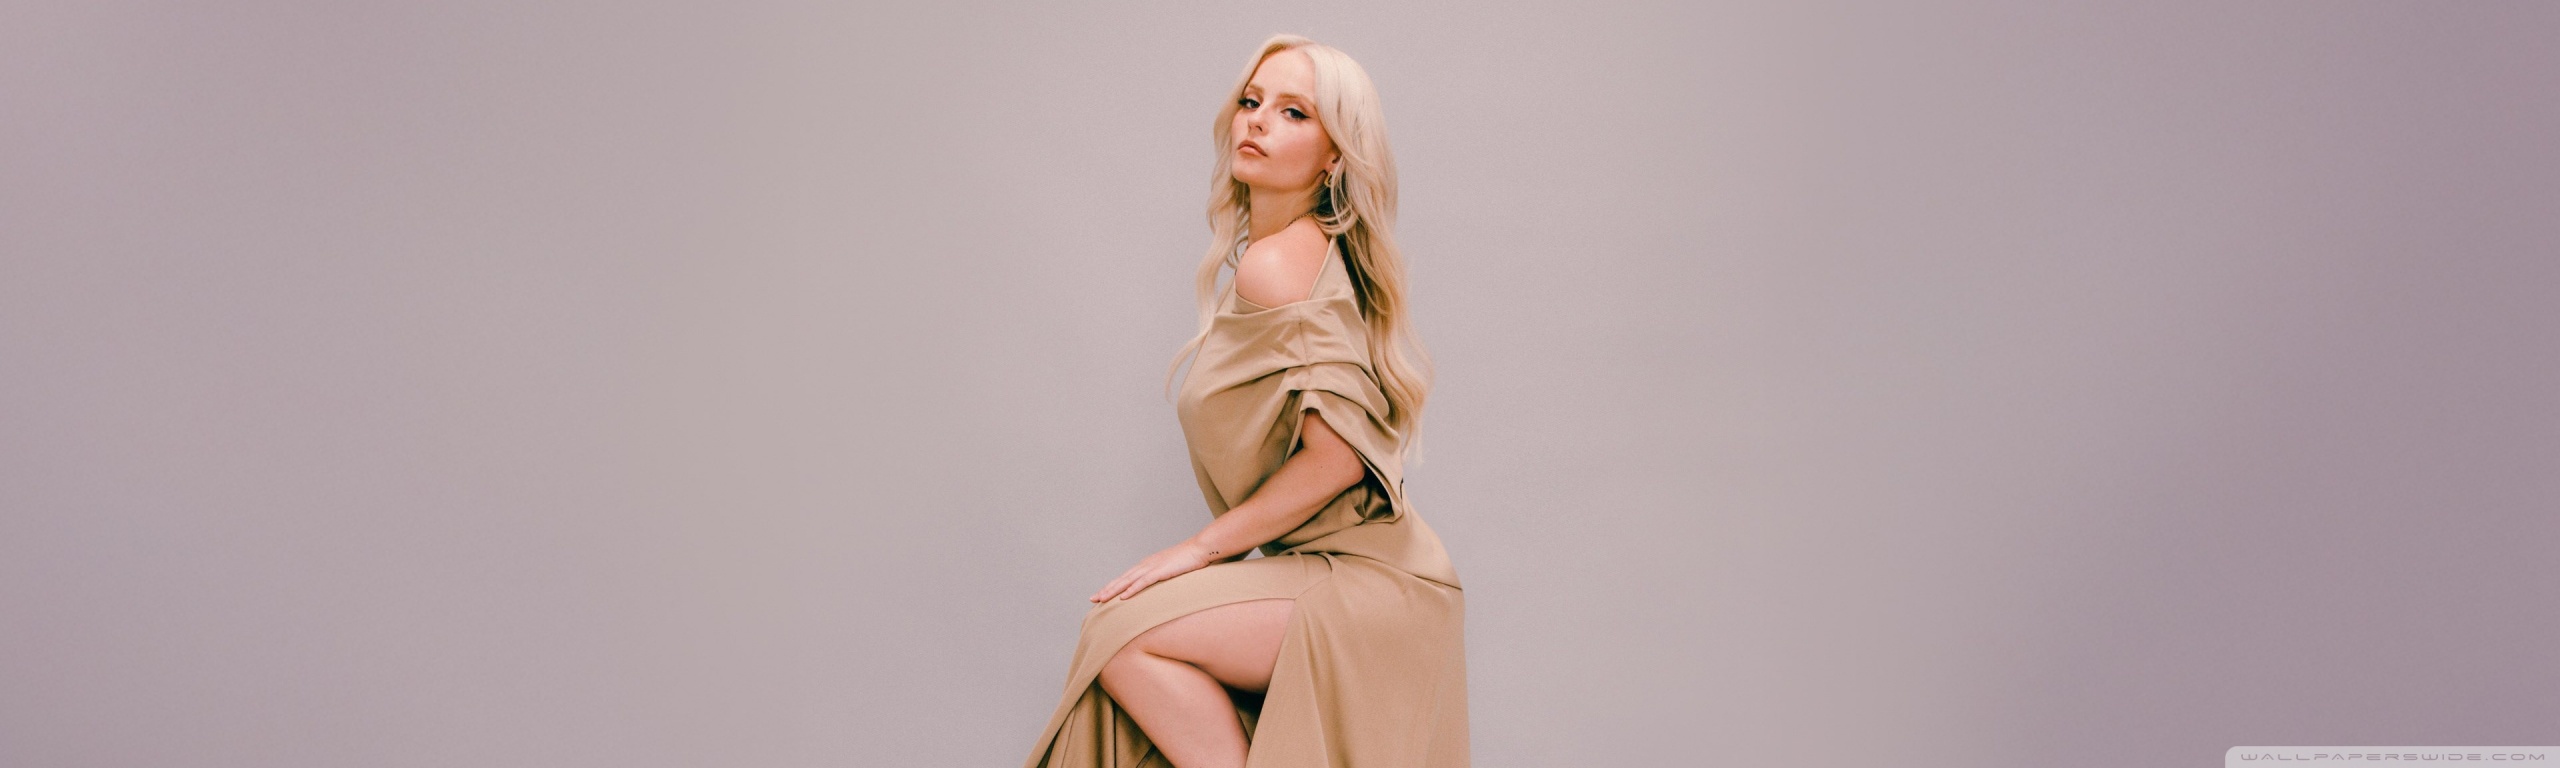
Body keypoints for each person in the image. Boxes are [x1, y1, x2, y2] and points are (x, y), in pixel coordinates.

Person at [1021, 33, 1469, 768]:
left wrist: (1200, 550)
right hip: (1359, 576)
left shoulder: (1279, 263)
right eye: (1251, 101)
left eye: (1294, 112)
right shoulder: (1294, 254)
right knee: (1126, 647)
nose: (1257, 120)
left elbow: (1337, 460)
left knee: (1124, 637)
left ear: (1334, 157)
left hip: (1370, 582)